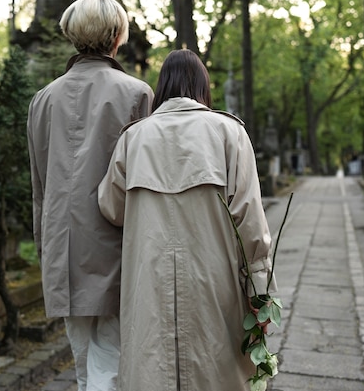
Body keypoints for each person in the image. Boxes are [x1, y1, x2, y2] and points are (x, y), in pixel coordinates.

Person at [97, 49, 275, 391]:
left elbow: (112, 208)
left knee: (152, 368)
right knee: (215, 369)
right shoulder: (229, 133)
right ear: (203, 86)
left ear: (161, 87)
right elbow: (250, 220)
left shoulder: (133, 138)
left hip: (148, 281)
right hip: (214, 281)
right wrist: (262, 293)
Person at [27, 0, 154, 391]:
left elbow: (39, 186)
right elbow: (144, 183)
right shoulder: (137, 94)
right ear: (117, 35)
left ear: (70, 34)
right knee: (112, 365)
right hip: (117, 245)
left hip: (62, 247)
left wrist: (43, 247)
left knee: (86, 365)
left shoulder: (42, 99)